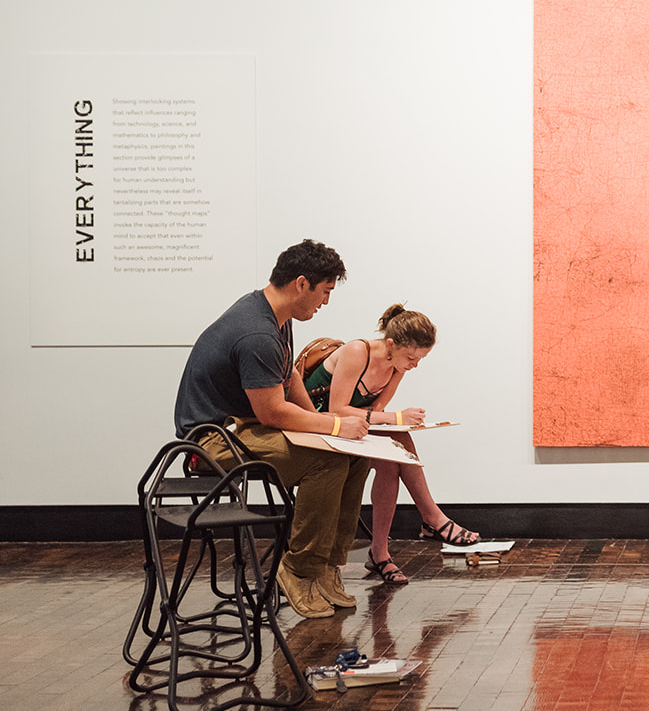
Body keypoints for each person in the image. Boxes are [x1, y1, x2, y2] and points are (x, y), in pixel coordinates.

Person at [173, 239, 370, 619]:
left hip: (242, 425)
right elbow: (272, 413)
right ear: (301, 283)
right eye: (325, 292)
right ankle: (299, 569)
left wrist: (326, 430)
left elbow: (290, 375)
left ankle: (328, 567)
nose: (325, 302)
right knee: (325, 464)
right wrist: (332, 425)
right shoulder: (257, 332)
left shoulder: (275, 316)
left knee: (353, 457)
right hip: (212, 441)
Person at [304, 304, 480, 584]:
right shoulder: (356, 352)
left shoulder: (397, 366)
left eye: (420, 359)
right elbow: (338, 408)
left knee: (395, 450)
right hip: (316, 426)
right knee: (398, 440)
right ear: (390, 344)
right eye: (411, 357)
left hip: (348, 429)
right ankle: (430, 520)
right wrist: (397, 417)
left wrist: (398, 420)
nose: (414, 364)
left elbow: (374, 414)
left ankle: (383, 551)